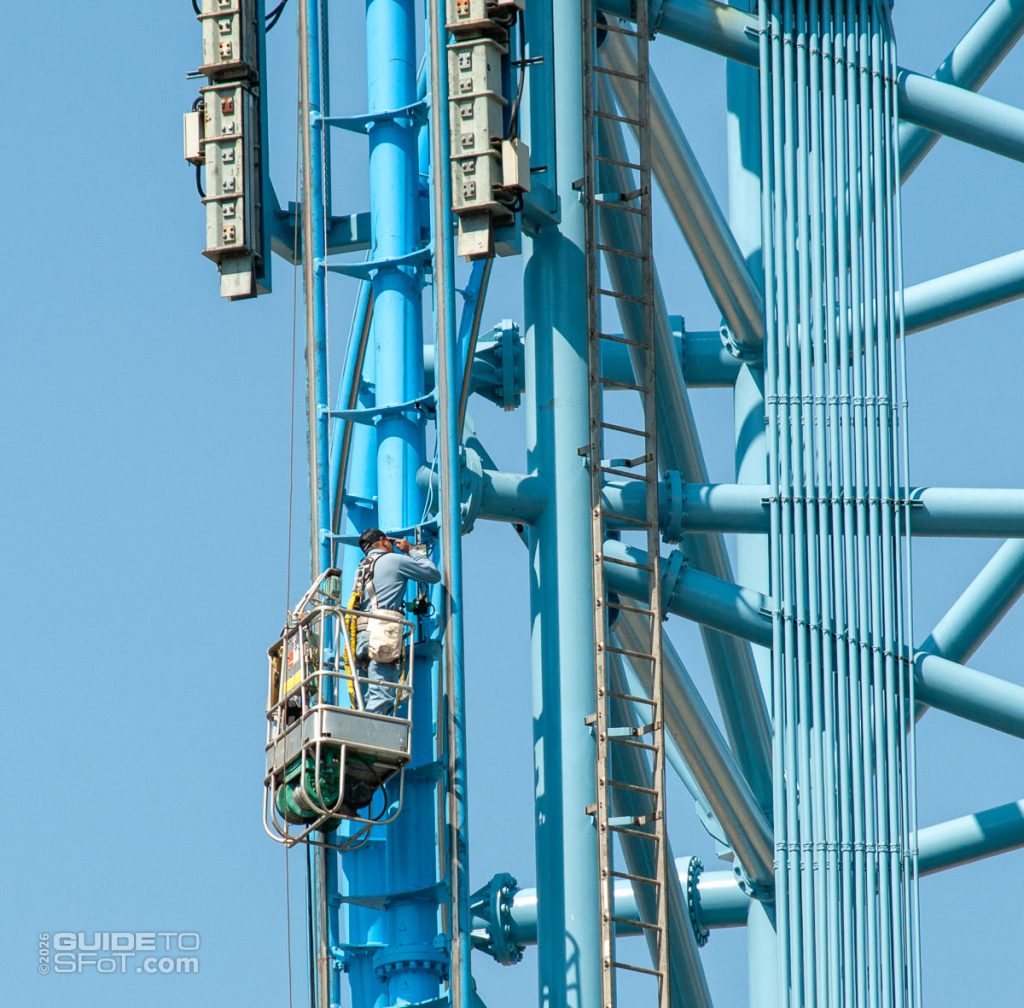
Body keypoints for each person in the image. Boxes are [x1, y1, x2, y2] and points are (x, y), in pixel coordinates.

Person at [353, 528, 440, 715]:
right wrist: (410, 550)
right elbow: (432, 574)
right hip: (382, 630)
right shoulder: (393, 560)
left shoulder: (362, 566)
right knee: (381, 691)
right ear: (384, 541)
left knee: (365, 692)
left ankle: (362, 724)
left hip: (362, 633)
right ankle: (372, 732)